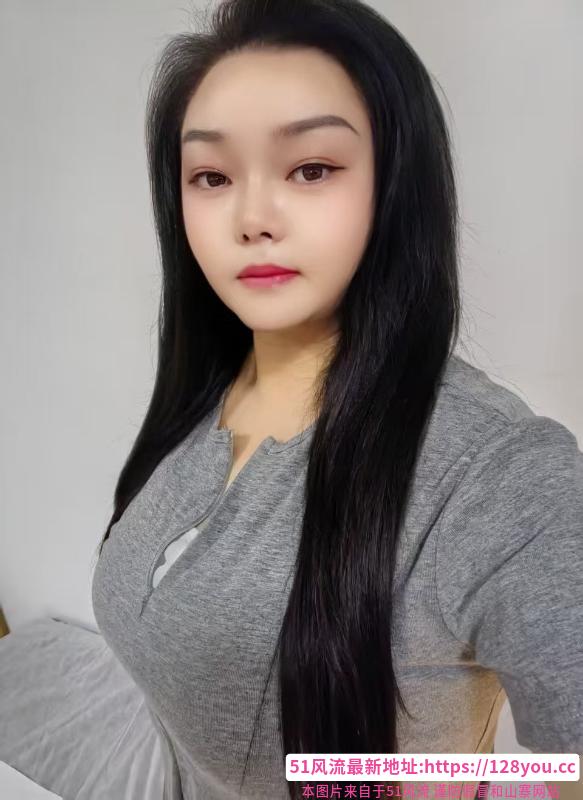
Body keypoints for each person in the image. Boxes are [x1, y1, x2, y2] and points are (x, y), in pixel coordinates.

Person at [91, 0, 583, 798]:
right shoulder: (202, 394)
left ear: (393, 185)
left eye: (311, 168)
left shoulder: (498, 475)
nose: (252, 218)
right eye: (211, 176)